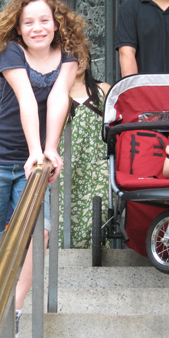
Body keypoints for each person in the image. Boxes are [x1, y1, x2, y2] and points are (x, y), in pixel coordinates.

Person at [0, 0, 90, 332]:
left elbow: (58, 99)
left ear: (56, 24)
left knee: (40, 236)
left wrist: (50, 149)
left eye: (44, 20)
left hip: (33, 163)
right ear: (19, 29)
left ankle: (14, 309)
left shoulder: (68, 55)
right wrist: (35, 150)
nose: (37, 28)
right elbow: (26, 99)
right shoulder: (11, 51)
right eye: (28, 22)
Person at [59, 61, 110, 248]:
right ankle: (64, 258)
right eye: (71, 57)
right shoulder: (57, 92)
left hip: (98, 164)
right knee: (63, 212)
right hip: (66, 163)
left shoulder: (103, 89)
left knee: (99, 211)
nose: (77, 62)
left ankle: (95, 256)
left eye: (80, 56)